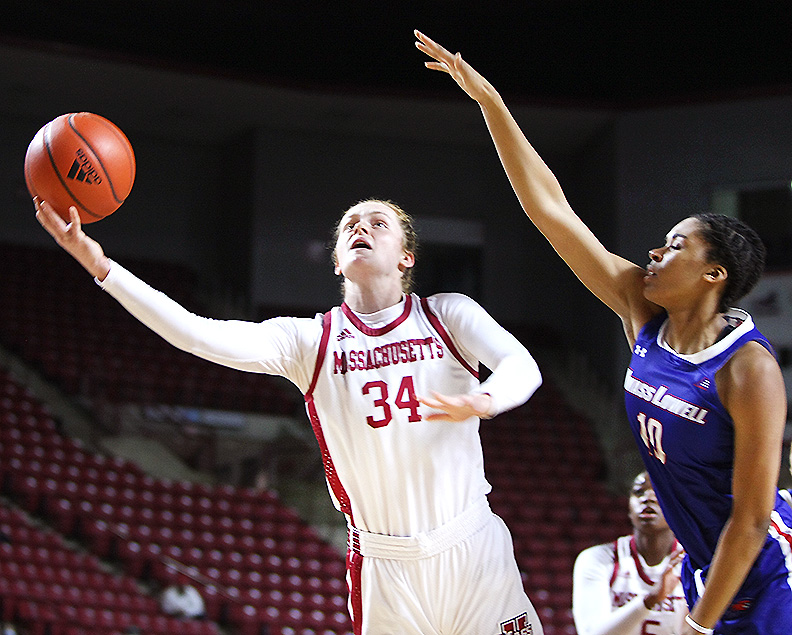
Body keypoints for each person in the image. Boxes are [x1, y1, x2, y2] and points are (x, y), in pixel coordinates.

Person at [416, 30, 792, 635]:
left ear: (712, 274)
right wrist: (491, 103)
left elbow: (750, 523)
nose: (654, 251)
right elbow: (552, 213)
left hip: (768, 573)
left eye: (675, 246)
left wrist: (696, 628)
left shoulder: (748, 368)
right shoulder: (641, 309)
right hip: (708, 562)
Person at [35, 196, 544, 635]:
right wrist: (100, 265)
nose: (360, 228)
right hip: (386, 568)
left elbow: (521, 364)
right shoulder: (310, 341)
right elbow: (194, 332)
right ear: (338, 264)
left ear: (406, 257)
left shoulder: (449, 314)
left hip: (474, 548)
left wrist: (489, 398)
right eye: (350, 226)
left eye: (377, 223)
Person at [573, 471, 688, 635]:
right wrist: (652, 598)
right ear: (628, 507)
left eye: (657, 490)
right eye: (639, 492)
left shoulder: (692, 563)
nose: (648, 497)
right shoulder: (597, 559)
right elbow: (591, 633)